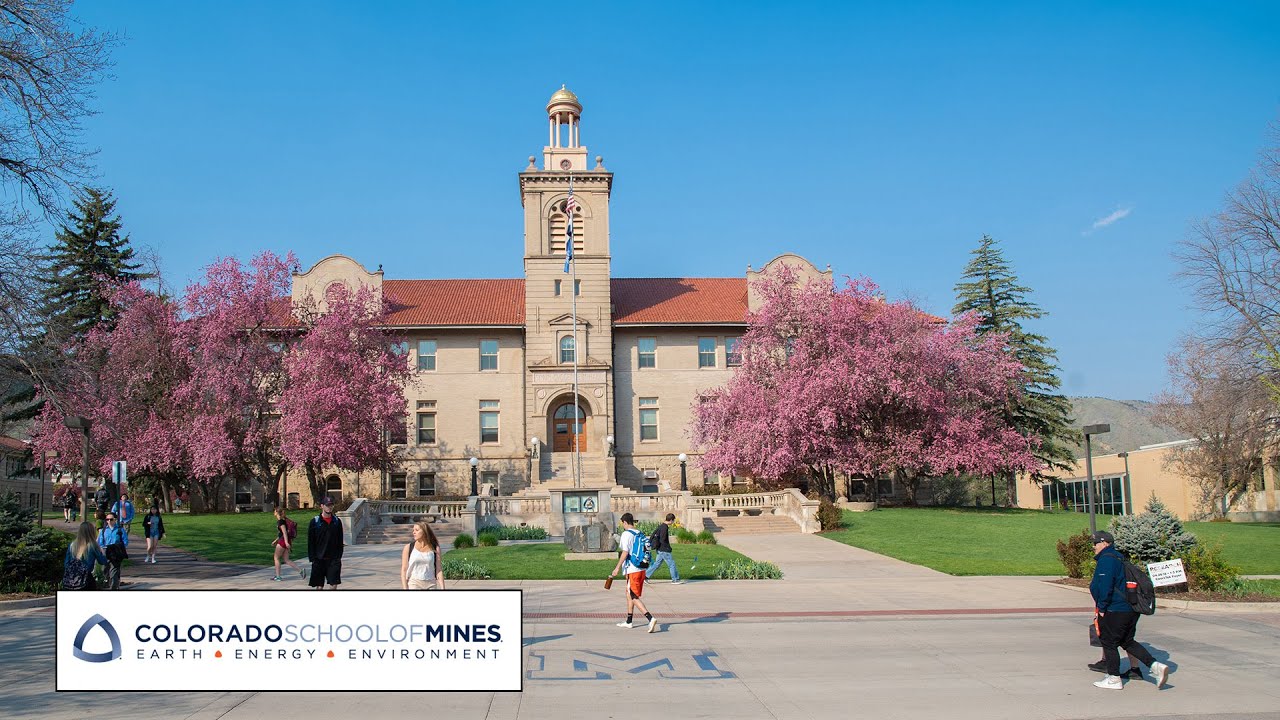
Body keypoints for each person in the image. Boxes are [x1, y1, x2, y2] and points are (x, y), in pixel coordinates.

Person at [1089, 530, 1171, 690]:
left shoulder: (1107, 560)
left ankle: (1113, 678)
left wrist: (1102, 607)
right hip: (1129, 607)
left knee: (1108, 641)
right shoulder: (1119, 557)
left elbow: (1105, 585)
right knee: (1127, 641)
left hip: (1115, 608)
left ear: (1105, 543)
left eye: (1095, 543)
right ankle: (1155, 666)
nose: (1094, 547)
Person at [608, 512, 658, 633]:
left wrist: (617, 567)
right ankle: (629, 621)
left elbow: (625, 552)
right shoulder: (639, 533)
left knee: (633, 596)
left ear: (624, 522)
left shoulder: (626, 534)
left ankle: (650, 618)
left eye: (622, 523)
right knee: (628, 593)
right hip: (641, 567)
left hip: (632, 569)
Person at [307, 496, 344, 589]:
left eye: (331, 505)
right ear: (322, 506)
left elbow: (340, 540)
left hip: (333, 559)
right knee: (319, 586)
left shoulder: (337, 521)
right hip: (319, 558)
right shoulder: (315, 522)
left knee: (334, 584)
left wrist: (339, 556)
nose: (329, 507)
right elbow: (311, 541)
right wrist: (312, 558)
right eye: (327, 505)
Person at [401, 519, 445, 590]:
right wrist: (405, 588)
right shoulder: (408, 548)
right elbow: (404, 570)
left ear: (424, 532)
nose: (414, 532)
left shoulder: (435, 548)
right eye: (413, 530)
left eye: (416, 530)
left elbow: (439, 570)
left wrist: (443, 588)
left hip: (431, 583)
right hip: (414, 583)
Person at [63, 521, 108, 590]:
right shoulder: (93, 546)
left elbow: (66, 563)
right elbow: (102, 561)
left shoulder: (72, 545)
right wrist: (103, 553)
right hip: (86, 578)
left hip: (71, 578)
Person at [645, 513, 683, 584]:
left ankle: (645, 576)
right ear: (671, 520)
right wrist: (668, 548)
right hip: (664, 550)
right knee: (672, 564)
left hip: (660, 549)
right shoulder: (664, 527)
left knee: (656, 564)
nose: (673, 522)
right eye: (673, 520)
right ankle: (675, 579)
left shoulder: (661, 526)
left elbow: (653, 534)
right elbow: (662, 540)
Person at [272, 507, 306, 581]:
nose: (273, 513)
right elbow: (281, 533)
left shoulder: (281, 522)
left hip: (283, 541)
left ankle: (278, 576)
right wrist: (275, 540)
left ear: (277, 513)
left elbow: (284, 533)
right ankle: (301, 571)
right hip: (285, 540)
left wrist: (286, 543)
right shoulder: (283, 521)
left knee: (276, 558)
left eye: (274, 511)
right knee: (286, 560)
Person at [97, 512, 129, 590]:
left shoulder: (120, 530)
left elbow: (125, 541)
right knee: (105, 568)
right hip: (106, 551)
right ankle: (107, 582)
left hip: (116, 551)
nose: (109, 521)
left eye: (111, 519)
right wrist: (102, 548)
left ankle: (114, 586)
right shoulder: (103, 530)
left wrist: (120, 548)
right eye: (107, 519)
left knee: (114, 569)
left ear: (115, 520)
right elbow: (100, 541)